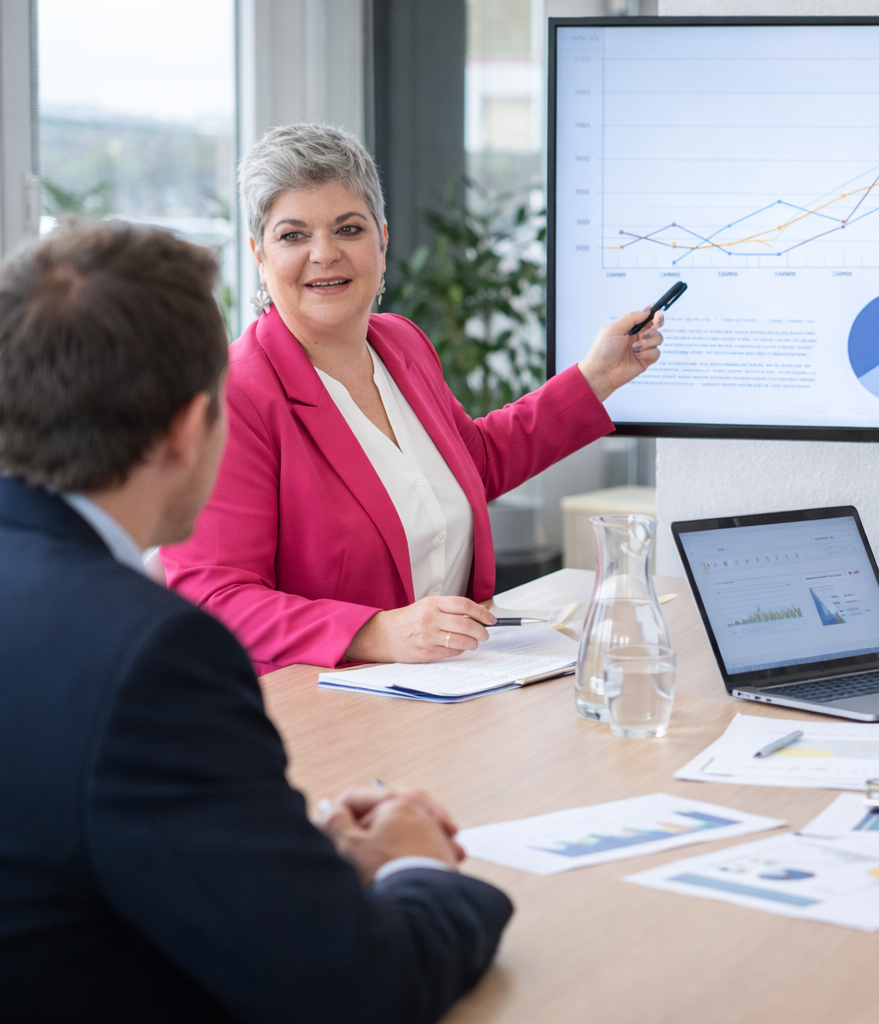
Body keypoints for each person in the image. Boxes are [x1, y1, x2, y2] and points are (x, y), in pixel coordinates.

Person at [0, 221, 511, 1021]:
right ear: (188, 429)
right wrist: (415, 865)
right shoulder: (152, 657)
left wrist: (277, 850)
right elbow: (356, 988)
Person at [161, 123, 662, 674]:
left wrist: (596, 378)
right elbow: (216, 601)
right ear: (260, 255)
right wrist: (373, 632)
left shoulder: (402, 342)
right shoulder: (233, 395)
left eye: (348, 229)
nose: (324, 253)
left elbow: (473, 463)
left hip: (458, 683)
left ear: (381, 241)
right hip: (323, 706)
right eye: (293, 236)